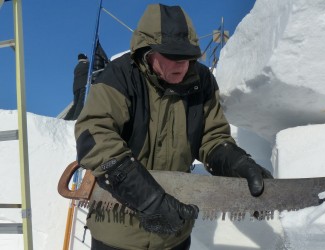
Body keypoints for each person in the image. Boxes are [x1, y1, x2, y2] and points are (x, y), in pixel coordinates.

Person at [75, 3, 273, 250]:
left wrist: (236, 164)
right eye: (172, 55)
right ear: (148, 51)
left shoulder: (202, 82)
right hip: (116, 235)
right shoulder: (120, 76)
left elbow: (211, 138)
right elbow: (94, 135)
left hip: (174, 234)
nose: (183, 65)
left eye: (188, 56)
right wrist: (147, 198)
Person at [65, 53, 89, 120]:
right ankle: (76, 118)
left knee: (75, 104)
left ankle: (67, 118)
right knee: (81, 102)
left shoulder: (77, 67)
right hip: (83, 85)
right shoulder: (87, 65)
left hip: (75, 88)